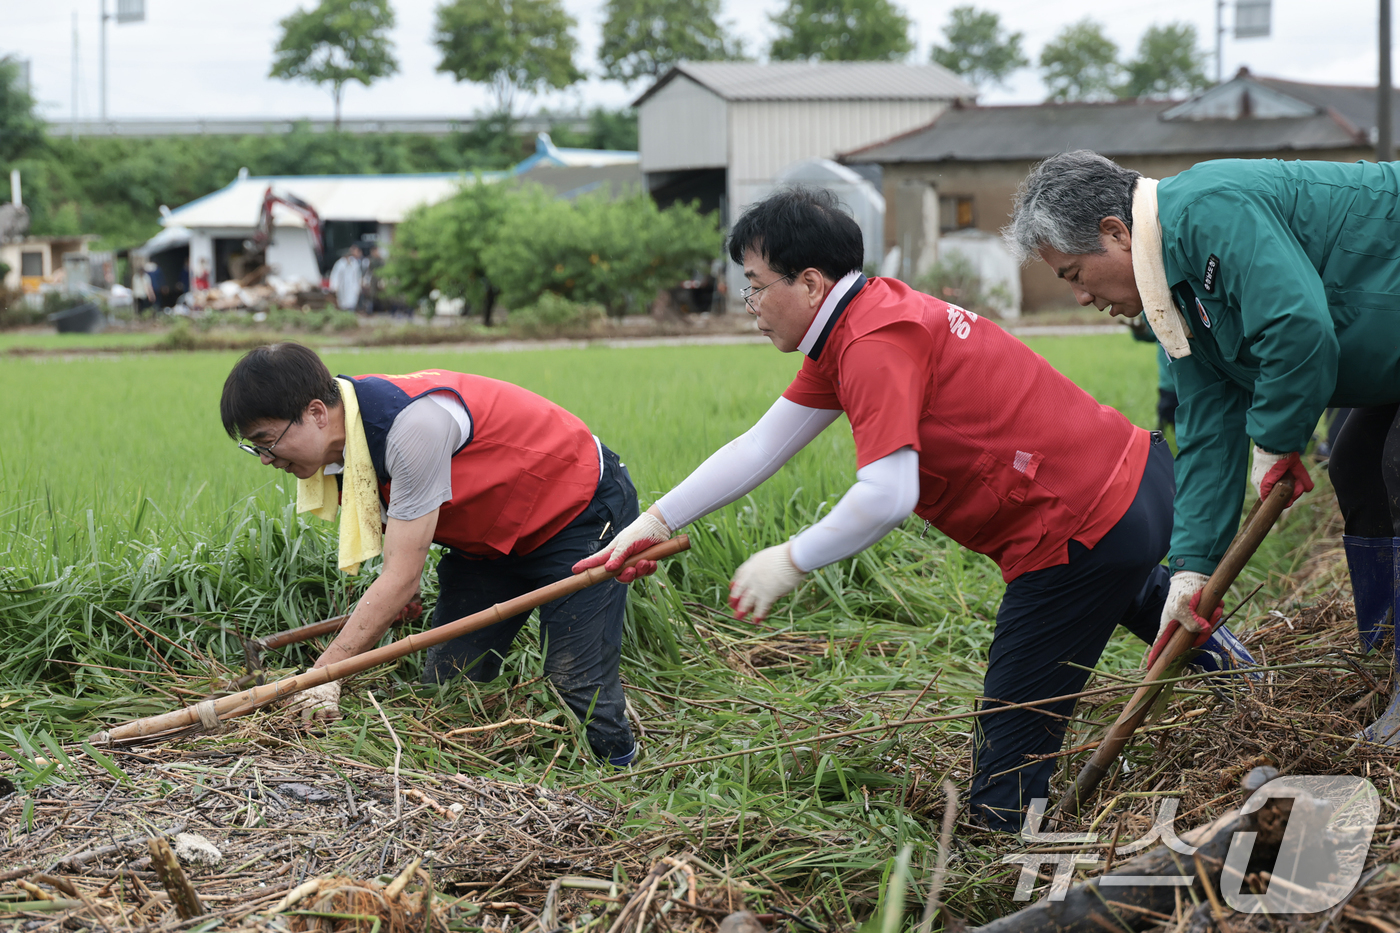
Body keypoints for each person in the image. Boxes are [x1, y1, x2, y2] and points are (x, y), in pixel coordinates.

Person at [576, 187, 1249, 832]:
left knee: (1011, 736)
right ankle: (1252, 686)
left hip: (1079, 525)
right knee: (1136, 593)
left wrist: (792, 557)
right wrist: (654, 521)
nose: (749, 302)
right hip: (1133, 483)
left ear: (809, 283)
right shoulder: (863, 319)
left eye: (755, 283)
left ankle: (1011, 864)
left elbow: (887, 493)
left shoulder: (871, 341)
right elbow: (761, 446)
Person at [1004, 151, 1400, 742]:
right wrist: (1190, 572)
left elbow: (1296, 326)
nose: (1082, 297)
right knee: (1357, 464)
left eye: (1073, 274)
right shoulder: (1178, 295)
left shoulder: (1206, 210)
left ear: (1115, 233)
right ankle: (1386, 666)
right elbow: (1210, 430)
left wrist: (1275, 438)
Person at [219, 343, 641, 767]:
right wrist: (398, 593)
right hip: (487, 541)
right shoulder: (342, 448)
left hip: (577, 512)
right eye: (254, 447)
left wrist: (321, 677)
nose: (265, 459)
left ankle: (624, 774)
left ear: (315, 413)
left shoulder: (411, 430)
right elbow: (403, 552)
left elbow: (399, 578)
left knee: (577, 686)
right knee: (448, 687)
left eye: (267, 441)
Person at [328, 244, 363, 312]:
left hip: (352, 287)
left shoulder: (354, 264)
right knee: (342, 303)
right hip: (342, 286)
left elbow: (357, 276)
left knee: (352, 302)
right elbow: (335, 276)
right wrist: (334, 286)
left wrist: (358, 287)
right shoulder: (339, 264)